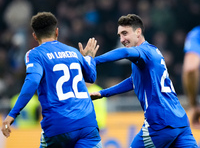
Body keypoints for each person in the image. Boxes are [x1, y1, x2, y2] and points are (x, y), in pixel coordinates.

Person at [89, 14, 198, 147]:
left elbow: (125, 53)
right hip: (180, 121)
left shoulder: (142, 52)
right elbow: (133, 82)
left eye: (125, 33)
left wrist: (92, 60)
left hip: (160, 122)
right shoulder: (153, 51)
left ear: (138, 32)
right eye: (119, 36)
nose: (122, 39)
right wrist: (103, 93)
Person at [1, 12, 102, 148]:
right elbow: (91, 77)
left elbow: (32, 81)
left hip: (59, 125)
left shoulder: (35, 54)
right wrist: (89, 57)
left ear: (34, 35)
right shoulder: (74, 52)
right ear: (57, 32)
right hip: (87, 124)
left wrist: (13, 113)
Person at [182, 25, 200, 129]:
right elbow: (190, 69)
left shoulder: (196, 34)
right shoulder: (196, 34)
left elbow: (191, 69)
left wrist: (194, 106)